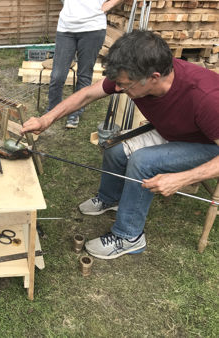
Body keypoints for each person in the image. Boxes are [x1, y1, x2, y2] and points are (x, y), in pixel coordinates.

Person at [21, 30, 219, 259]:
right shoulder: (137, 69)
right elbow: (87, 94)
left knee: (143, 162)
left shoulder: (206, 98)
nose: (117, 89)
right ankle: (111, 198)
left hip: (207, 144)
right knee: (114, 147)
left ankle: (129, 237)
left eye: (125, 85)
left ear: (154, 77)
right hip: (176, 131)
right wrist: (47, 119)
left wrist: (181, 178)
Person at [48, 0, 122, 129]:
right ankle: (52, 111)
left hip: (93, 28)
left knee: (84, 74)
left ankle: (75, 113)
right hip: (66, 29)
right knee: (57, 76)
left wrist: (109, 4)